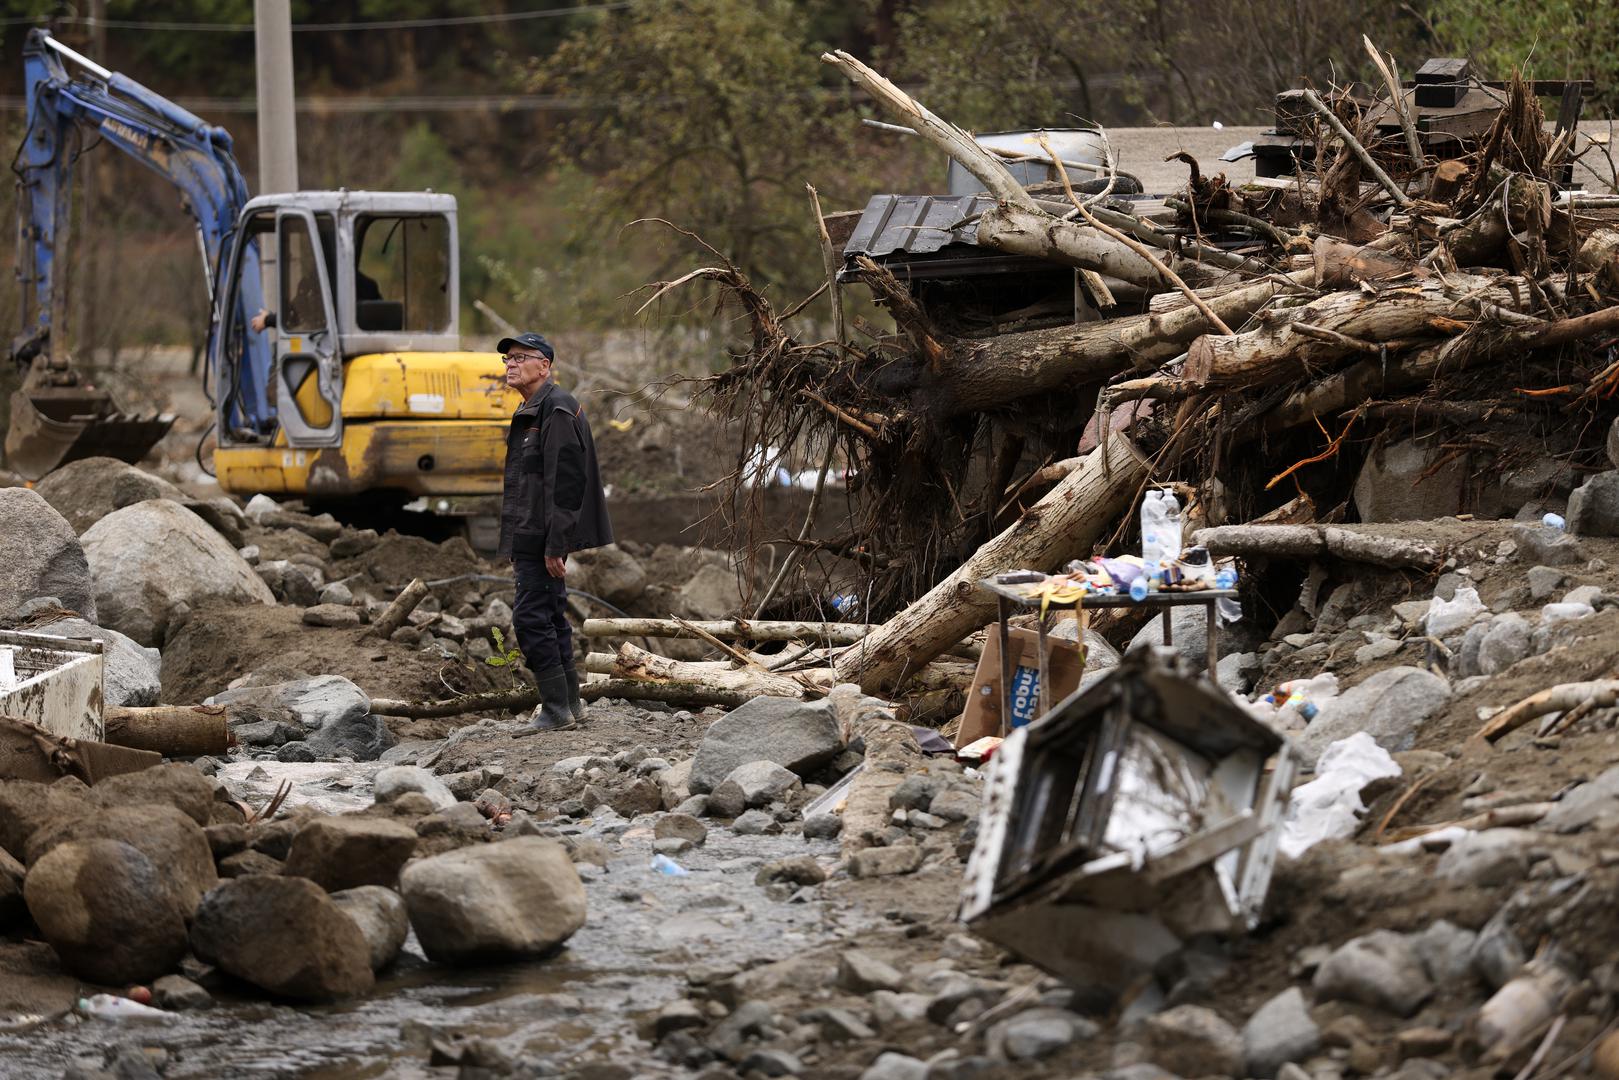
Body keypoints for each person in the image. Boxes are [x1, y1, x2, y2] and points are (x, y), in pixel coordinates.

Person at [497, 331, 613, 733]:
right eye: (507, 359)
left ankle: (555, 710)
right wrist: (516, 539)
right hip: (531, 535)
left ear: (543, 366)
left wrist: (556, 544)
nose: (510, 365)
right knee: (550, 616)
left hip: (544, 537)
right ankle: (571, 706)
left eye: (519, 357)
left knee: (530, 619)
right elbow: (526, 484)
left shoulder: (557, 409)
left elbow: (564, 483)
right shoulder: (533, 409)